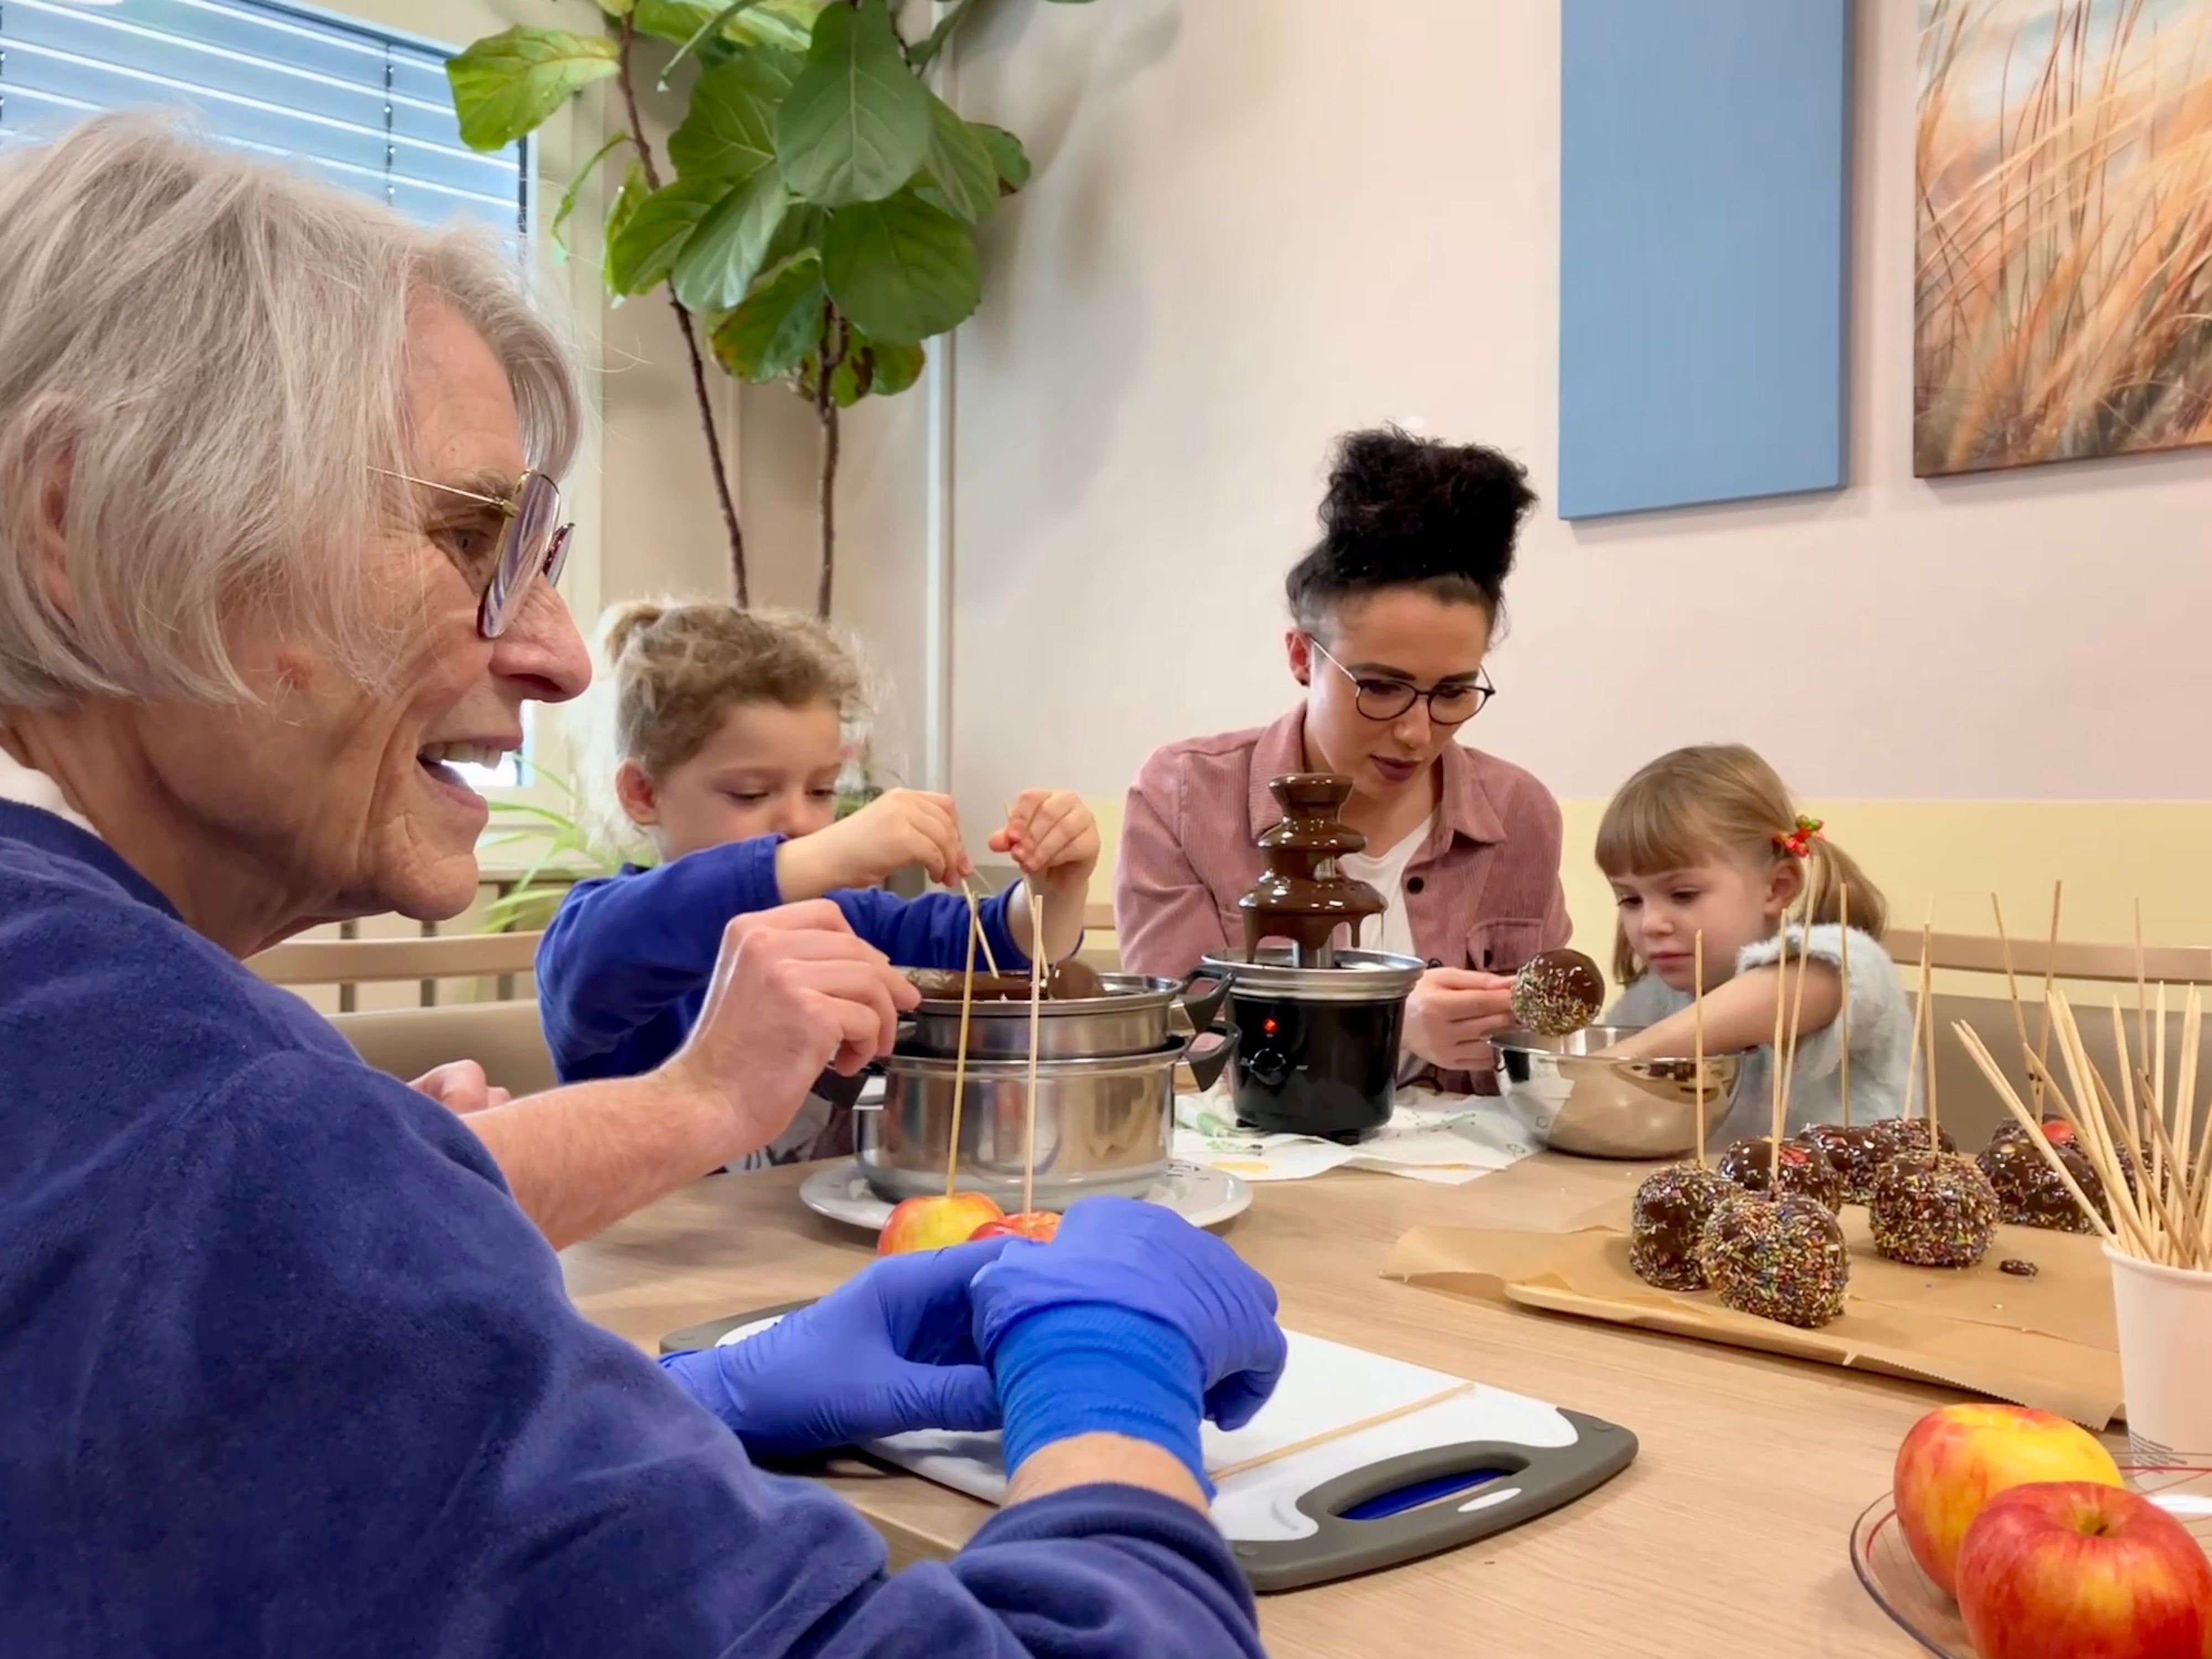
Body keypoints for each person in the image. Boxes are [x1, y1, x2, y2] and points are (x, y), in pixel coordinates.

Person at [0, 114, 1281, 1658]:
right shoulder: (195, 1117)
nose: (554, 650)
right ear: (84, 520)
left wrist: (687, 1392)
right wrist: (1108, 1374)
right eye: (477, 536)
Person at [536, 600, 1099, 1161]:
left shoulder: (841, 919)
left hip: (808, 1245)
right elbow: (617, 946)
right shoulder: (603, 935)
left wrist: (1053, 888)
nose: (802, 821)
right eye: (751, 793)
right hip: (647, 1249)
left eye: (822, 790)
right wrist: (819, 857)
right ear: (643, 794)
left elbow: (993, 949)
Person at [1116, 426, 1571, 1091]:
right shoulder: (1184, 798)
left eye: (1451, 692)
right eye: (1380, 688)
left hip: (1476, 1183)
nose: (1417, 733)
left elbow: (1541, 1050)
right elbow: (1183, 1050)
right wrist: (1384, 1027)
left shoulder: (1517, 814)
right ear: (1302, 657)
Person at [1594, 744, 1911, 1140]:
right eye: (1630, 900)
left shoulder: (1847, 958)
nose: (1651, 924)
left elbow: (1796, 988)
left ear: (1777, 888)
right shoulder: (1653, 1000)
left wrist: (1632, 1054)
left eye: (1684, 894)